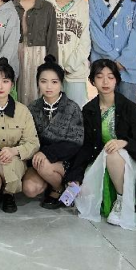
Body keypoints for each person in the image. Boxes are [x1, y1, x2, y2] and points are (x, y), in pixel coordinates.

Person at [66, 60, 136, 229]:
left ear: (116, 80)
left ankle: (122, 201)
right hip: (100, 158)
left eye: (110, 77)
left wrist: (125, 143)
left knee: (113, 154)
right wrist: (75, 175)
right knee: (80, 194)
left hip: (129, 159)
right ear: (92, 81)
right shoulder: (89, 110)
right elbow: (86, 145)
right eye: (99, 77)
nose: (105, 82)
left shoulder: (129, 108)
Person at [0, 58, 40, 214]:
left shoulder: (23, 111)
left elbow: (33, 142)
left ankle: (8, 194)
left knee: (9, 164)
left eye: (5, 81)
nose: (0, 86)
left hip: (15, 160)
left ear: (12, 85)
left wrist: (14, 151)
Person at [22, 55, 84, 209]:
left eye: (54, 82)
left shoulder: (72, 108)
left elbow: (76, 142)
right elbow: (28, 138)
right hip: (38, 159)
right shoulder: (32, 108)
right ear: (38, 83)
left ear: (61, 84)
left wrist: (47, 153)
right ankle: (49, 182)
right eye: (43, 81)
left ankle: (58, 188)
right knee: (29, 189)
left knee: (44, 165)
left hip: (65, 160)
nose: (49, 87)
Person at [47, 0, 91, 107]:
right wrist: (53, 65)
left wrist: (70, 65)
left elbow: (85, 40)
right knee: (52, 110)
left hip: (76, 71)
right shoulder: (48, 4)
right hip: (52, 70)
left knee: (75, 110)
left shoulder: (82, 5)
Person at [14, 0, 59, 106]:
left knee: (39, 90)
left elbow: (52, 38)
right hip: (17, 55)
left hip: (40, 55)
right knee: (18, 92)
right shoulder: (11, 7)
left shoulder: (47, 7)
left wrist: (52, 64)